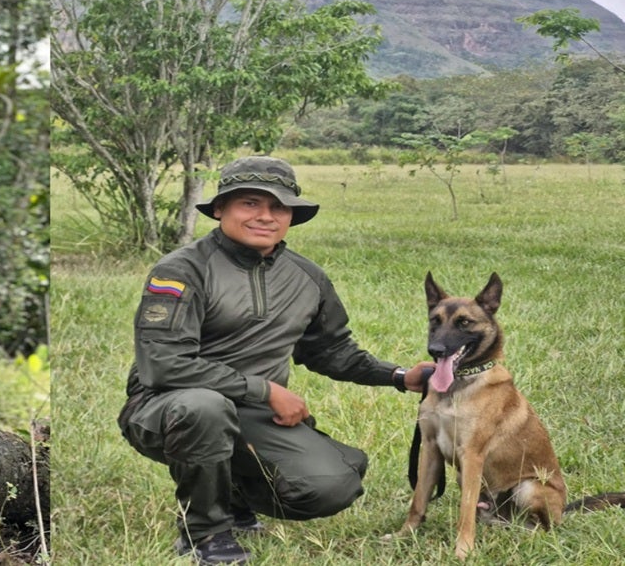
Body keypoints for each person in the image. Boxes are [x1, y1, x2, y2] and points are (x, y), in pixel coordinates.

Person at [116, 155, 433, 565]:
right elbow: (163, 365)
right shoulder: (181, 270)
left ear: (290, 216)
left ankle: (233, 497)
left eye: (278, 206)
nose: (266, 216)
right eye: (250, 203)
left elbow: (331, 351)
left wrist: (398, 375)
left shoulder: (308, 278)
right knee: (204, 408)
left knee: (334, 482)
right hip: (165, 407)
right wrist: (265, 390)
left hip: (250, 412)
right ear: (220, 209)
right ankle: (204, 534)